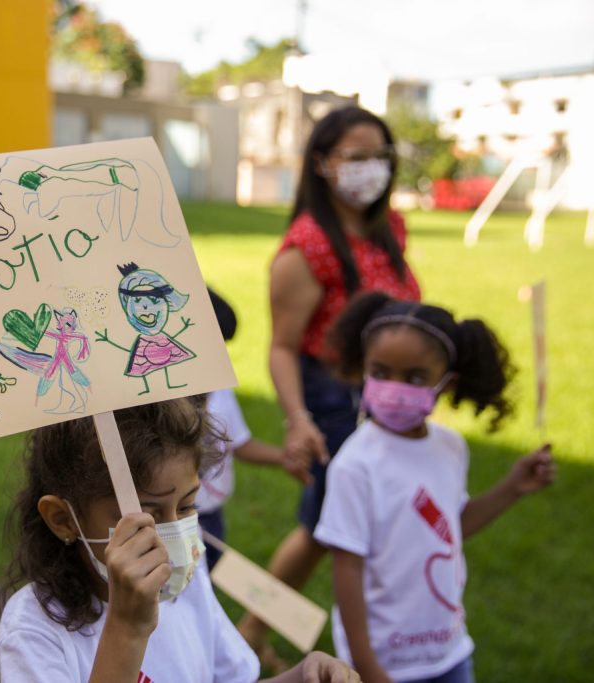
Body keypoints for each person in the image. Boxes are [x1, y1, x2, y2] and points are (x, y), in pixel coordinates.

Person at [0, 397, 359, 683]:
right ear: (63, 519)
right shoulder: (34, 629)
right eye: (147, 516)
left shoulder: (184, 582)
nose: (171, 537)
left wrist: (304, 675)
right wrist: (127, 626)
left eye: (187, 507)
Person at [240, 105, 422, 657]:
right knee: (330, 528)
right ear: (322, 164)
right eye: (357, 157)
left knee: (346, 528)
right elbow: (282, 348)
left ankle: (256, 629)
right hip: (334, 399)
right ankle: (266, 630)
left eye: (381, 157)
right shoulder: (307, 247)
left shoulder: (390, 228)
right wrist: (299, 420)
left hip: (386, 398)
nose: (372, 169)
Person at [314, 292, 555, 683]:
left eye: (414, 377)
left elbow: (448, 528)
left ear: (446, 382)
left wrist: (513, 487)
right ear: (363, 369)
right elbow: (347, 569)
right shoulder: (356, 465)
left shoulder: (450, 447)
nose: (393, 387)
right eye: (379, 372)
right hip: (384, 663)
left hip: (450, 652)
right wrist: (368, 667)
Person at [198, 289, 313, 570]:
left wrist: (283, 457)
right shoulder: (159, 400)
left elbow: (237, 442)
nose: (219, 357)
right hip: (175, 518)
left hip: (211, 513)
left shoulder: (220, 387)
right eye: (211, 346)